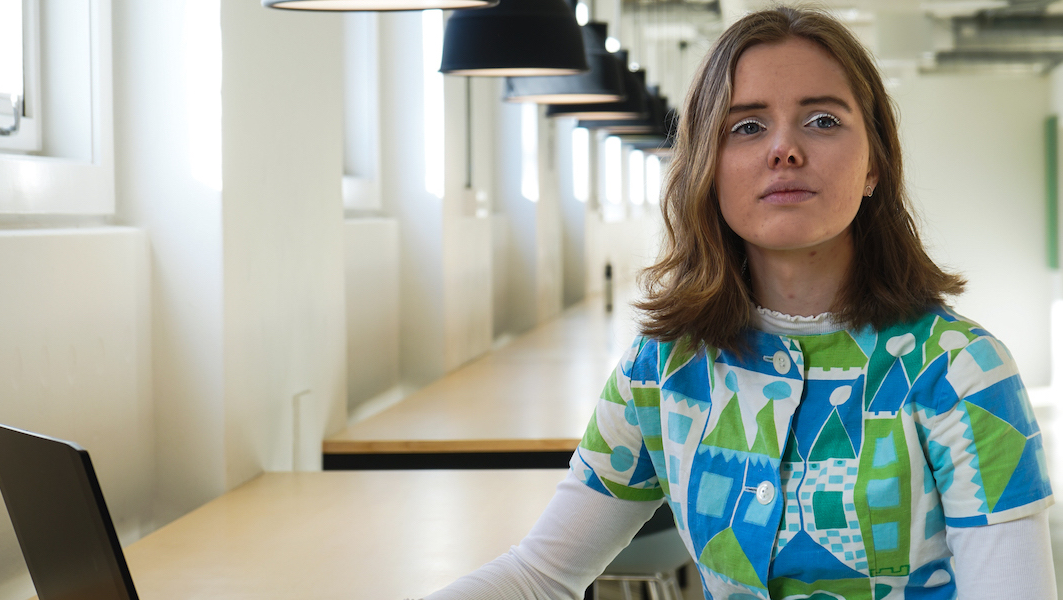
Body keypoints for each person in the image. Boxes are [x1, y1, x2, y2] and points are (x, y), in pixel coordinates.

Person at [427, 6, 1057, 599]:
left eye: (823, 120)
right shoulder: (663, 368)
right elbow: (541, 575)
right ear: (708, 165)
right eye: (747, 126)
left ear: (874, 166)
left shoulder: (961, 371)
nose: (784, 149)